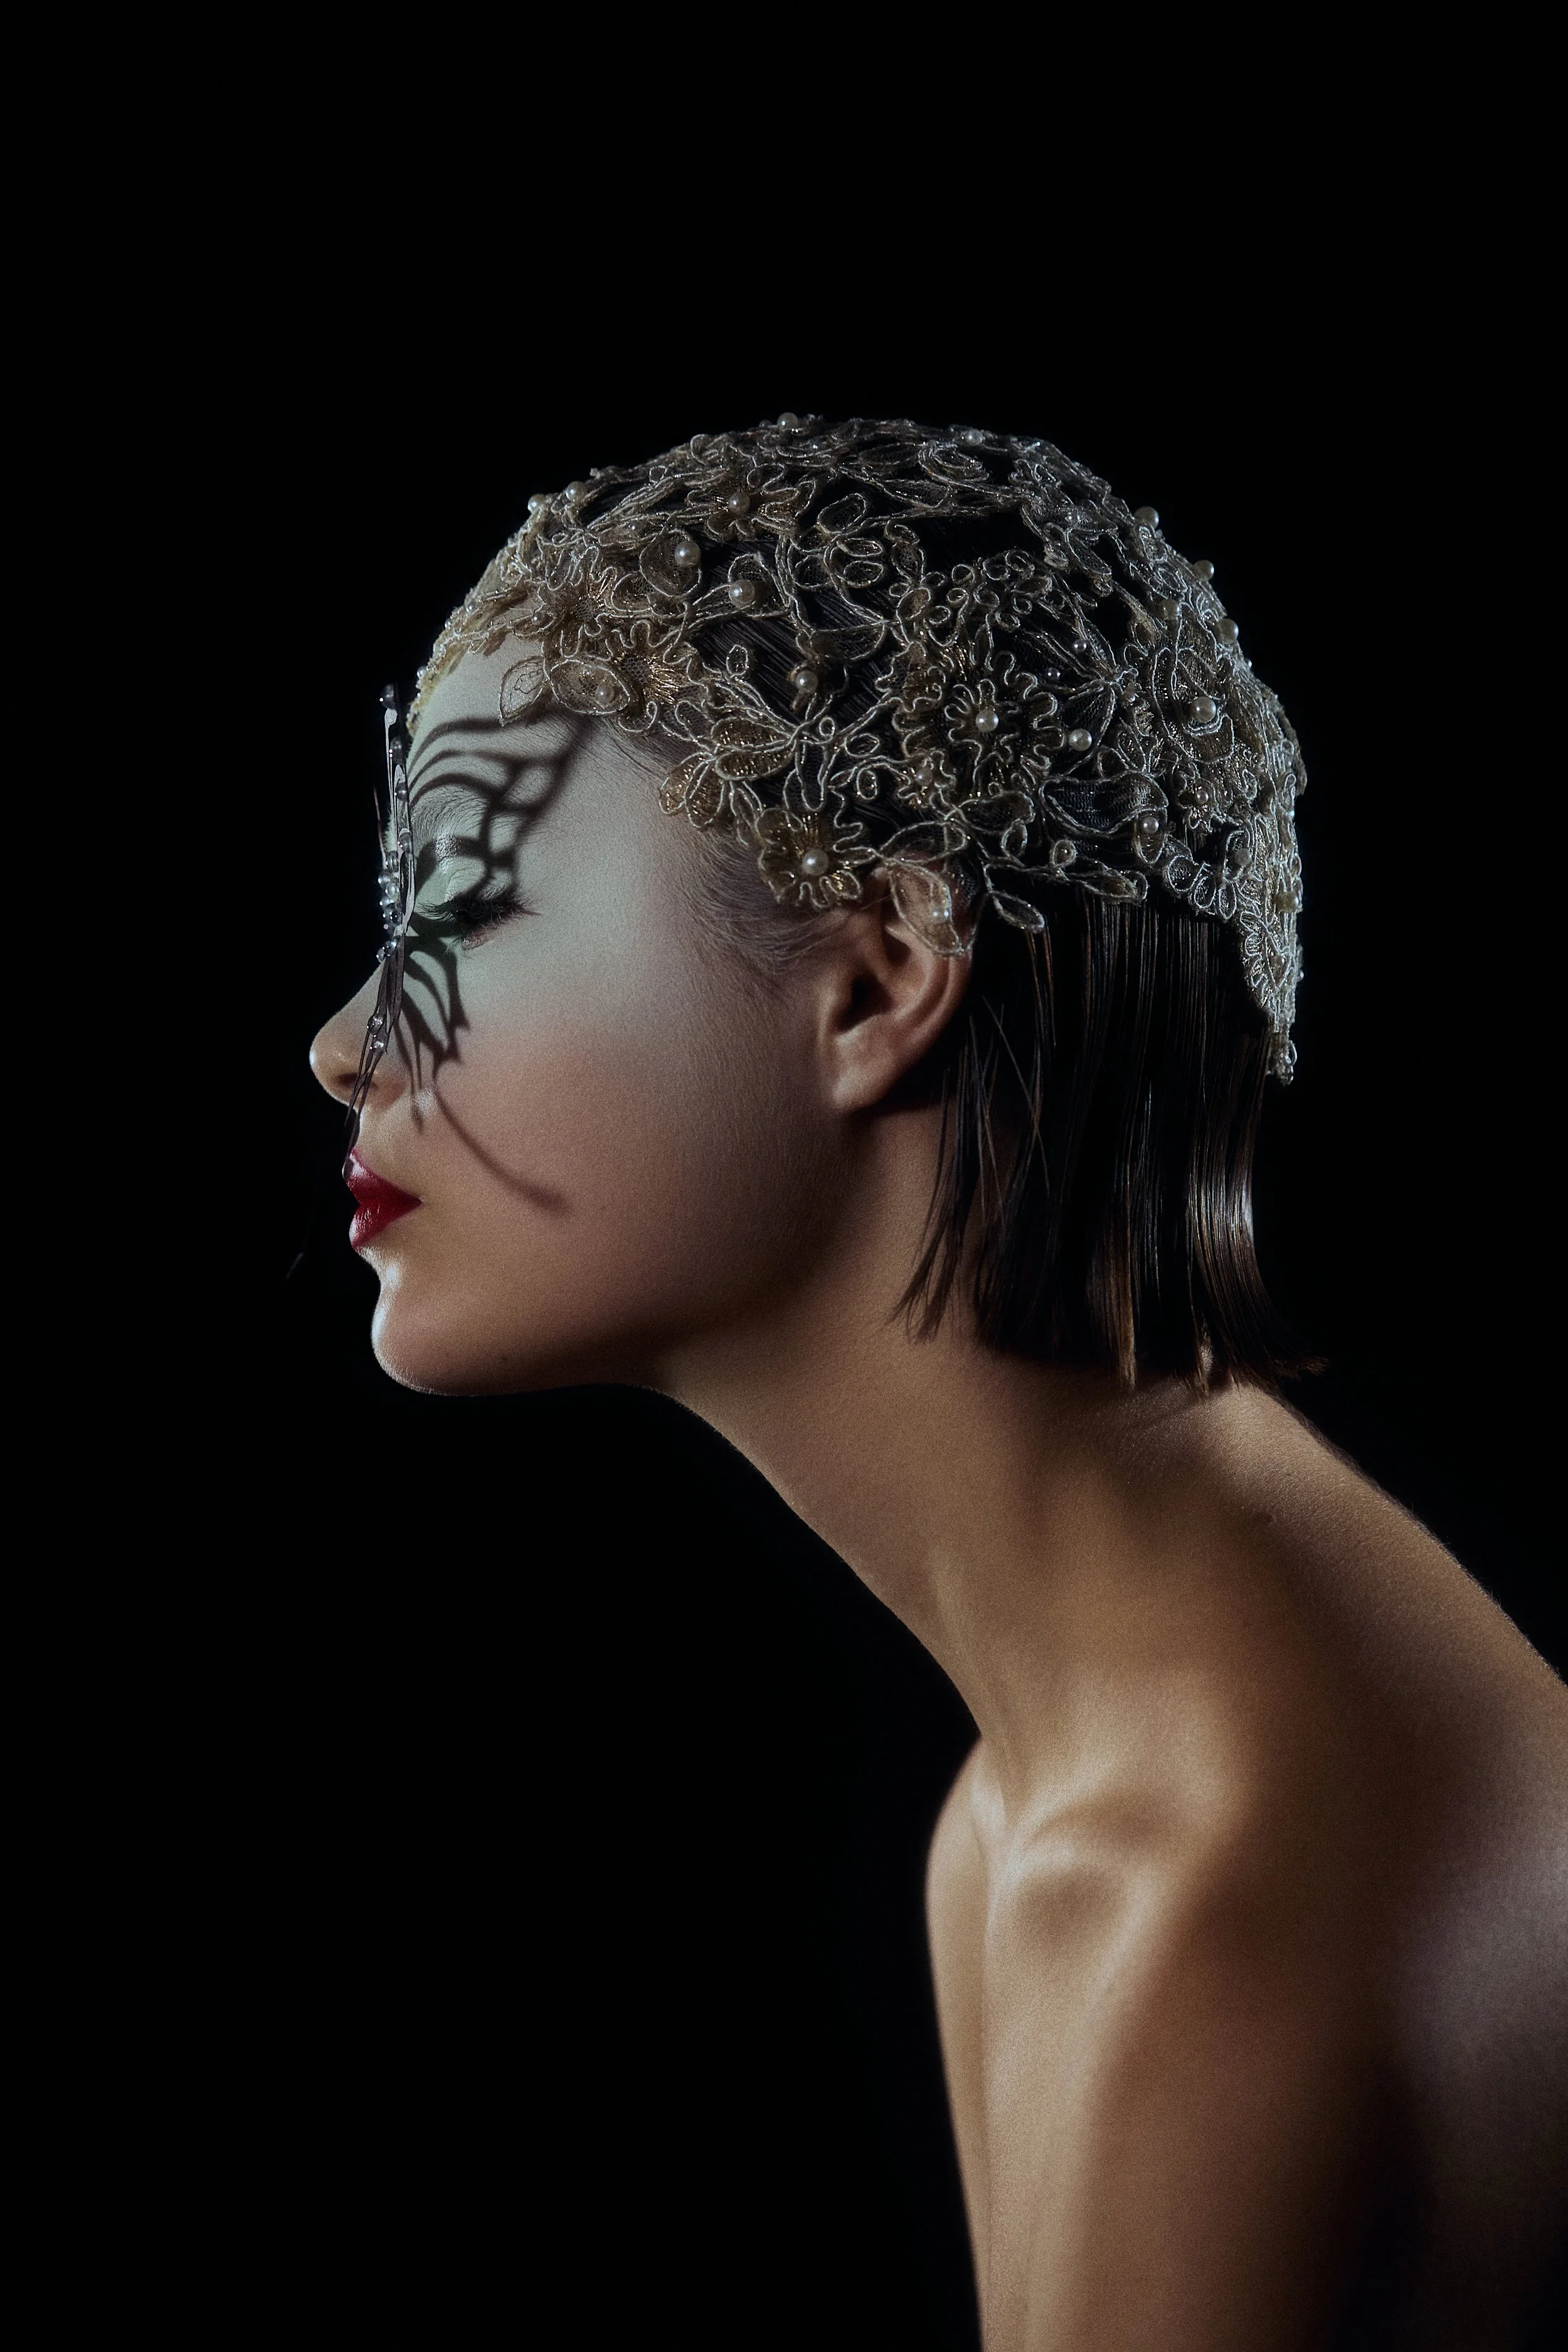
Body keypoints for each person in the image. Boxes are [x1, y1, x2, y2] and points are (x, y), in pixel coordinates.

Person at [310, 418, 1567, 2347]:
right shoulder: (1030, 1809)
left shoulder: (1213, 1914)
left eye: (473, 902)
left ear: (880, 978)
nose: (345, 1043)